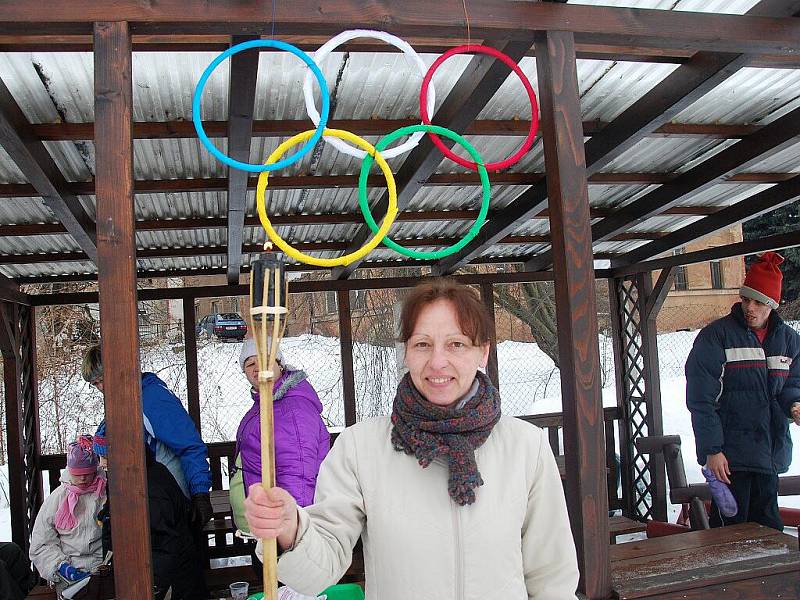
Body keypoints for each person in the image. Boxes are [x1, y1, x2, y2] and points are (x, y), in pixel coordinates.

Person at [244, 280, 579, 600]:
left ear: (483, 353)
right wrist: (291, 531)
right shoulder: (361, 449)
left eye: (456, 344)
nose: (437, 362)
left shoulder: (525, 448)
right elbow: (322, 566)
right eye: (422, 344)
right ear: (406, 352)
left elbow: (551, 576)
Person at [686, 251, 800, 530]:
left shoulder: (789, 341)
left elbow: (792, 385)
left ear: (772, 304)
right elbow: (701, 399)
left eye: (758, 302)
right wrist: (712, 450)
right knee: (729, 537)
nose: (750, 307)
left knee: (771, 535)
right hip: (729, 462)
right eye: (746, 298)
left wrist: (795, 404)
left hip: (769, 455)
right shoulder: (716, 336)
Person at [81, 344, 214, 527]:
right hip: (149, 498)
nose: (101, 387)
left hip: (169, 497)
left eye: (102, 379)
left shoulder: (151, 398)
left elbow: (189, 445)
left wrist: (200, 494)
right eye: (95, 384)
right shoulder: (124, 398)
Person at [93, 421, 207, 600]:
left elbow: (164, 545)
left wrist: (151, 589)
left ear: (121, 455)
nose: (101, 464)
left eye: (105, 457)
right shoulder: (124, 477)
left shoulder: (151, 488)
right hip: (148, 572)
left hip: (172, 581)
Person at [230, 338, 329, 533]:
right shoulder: (267, 403)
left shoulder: (290, 410)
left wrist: (291, 533)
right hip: (266, 529)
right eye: (250, 363)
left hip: (279, 533)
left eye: (265, 360)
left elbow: (298, 474)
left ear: (280, 365)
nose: (257, 368)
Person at [30, 435, 106, 595]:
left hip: (104, 569)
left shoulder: (105, 493)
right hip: (68, 573)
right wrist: (60, 567)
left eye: (88, 472)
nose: (83, 477)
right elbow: (40, 544)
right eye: (78, 473)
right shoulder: (57, 498)